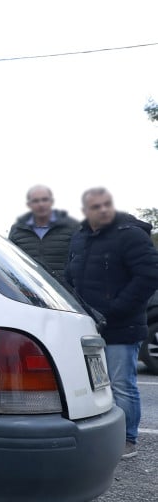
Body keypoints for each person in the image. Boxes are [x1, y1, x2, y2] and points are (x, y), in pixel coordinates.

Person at [65, 187, 158, 459]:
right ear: (85, 210)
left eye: (107, 205)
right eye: (95, 206)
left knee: (121, 384)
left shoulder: (129, 235)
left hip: (122, 326)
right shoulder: (80, 237)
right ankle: (104, 436)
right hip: (88, 326)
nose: (102, 210)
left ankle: (128, 440)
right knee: (95, 387)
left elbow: (150, 275)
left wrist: (116, 308)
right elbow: (72, 273)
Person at [8, 184, 78, 284]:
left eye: (44, 200)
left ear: (51, 202)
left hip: (64, 293)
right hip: (29, 291)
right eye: (35, 201)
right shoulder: (17, 229)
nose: (41, 204)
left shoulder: (72, 227)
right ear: (29, 204)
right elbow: (11, 262)